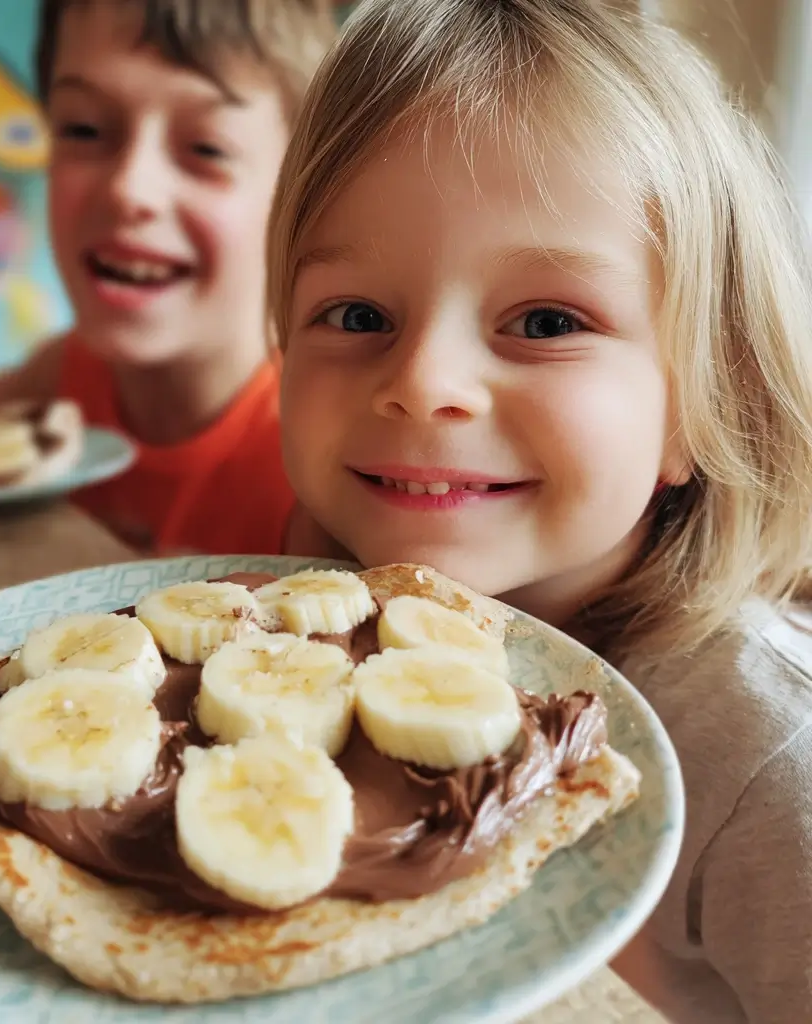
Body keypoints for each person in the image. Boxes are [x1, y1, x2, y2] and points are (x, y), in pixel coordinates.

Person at [272, 1, 812, 1021]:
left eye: (548, 321)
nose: (423, 382)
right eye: (358, 314)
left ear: (702, 402)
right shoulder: (303, 633)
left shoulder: (770, 758)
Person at [0, 0, 337, 553]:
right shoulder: (64, 379)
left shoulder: (327, 451)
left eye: (206, 148)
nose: (129, 188)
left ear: (301, 194)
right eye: (84, 128)